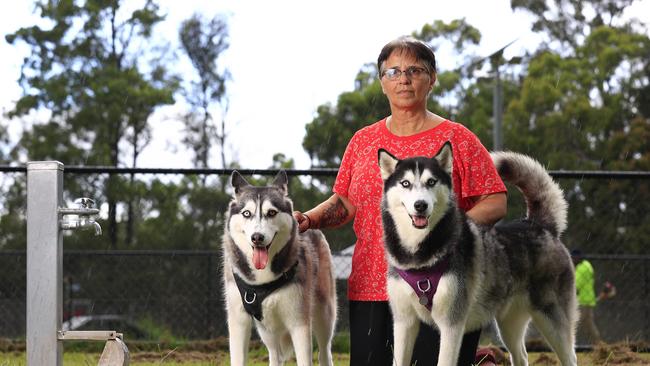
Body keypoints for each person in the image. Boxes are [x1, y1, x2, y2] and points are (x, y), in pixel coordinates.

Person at [293, 36, 507, 365]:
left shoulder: (458, 139)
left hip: (441, 282)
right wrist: (309, 219)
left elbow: (495, 201)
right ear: (382, 83)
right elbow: (345, 203)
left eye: (414, 70)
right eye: (392, 71)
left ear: (432, 79)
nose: (403, 78)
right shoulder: (363, 141)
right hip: (372, 285)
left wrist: (451, 233)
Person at [571, 249, 614, 345]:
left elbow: (576, 285)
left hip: (584, 301)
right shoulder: (585, 265)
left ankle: (570, 343)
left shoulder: (583, 268)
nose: (572, 260)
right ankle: (599, 344)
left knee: (576, 324)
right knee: (588, 325)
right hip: (586, 300)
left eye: (573, 258)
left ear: (578, 258)